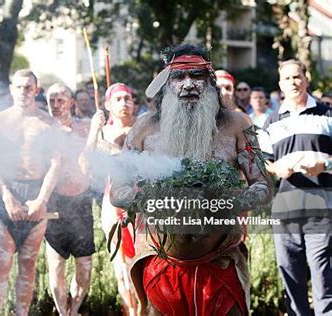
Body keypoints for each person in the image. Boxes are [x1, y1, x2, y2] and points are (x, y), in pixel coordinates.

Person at [109, 44, 270, 315]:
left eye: (196, 76)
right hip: (161, 265)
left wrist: (230, 201)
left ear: (210, 82)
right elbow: (118, 191)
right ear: (166, 83)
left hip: (219, 265)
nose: (188, 85)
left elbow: (262, 185)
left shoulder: (238, 124)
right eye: (178, 77)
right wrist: (150, 199)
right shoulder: (143, 127)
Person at [0, 69, 61, 316]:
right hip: (5, 195)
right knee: (1, 264)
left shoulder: (48, 124)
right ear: (11, 89)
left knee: (28, 265)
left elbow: (55, 163)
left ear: (36, 90)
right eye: (18, 87)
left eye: (28, 87)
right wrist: (6, 195)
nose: (23, 92)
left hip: (36, 194)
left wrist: (42, 199)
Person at [262, 59, 332, 316]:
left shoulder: (326, 114)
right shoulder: (271, 121)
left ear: (306, 78)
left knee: (323, 275)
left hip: (321, 206)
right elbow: (263, 162)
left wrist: (324, 164)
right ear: (280, 84)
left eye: (297, 76)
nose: (293, 82)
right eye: (287, 78)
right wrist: (276, 168)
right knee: (289, 273)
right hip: (285, 208)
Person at [84, 83, 138, 315]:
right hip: (113, 203)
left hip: (143, 202)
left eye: (128, 98)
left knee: (145, 260)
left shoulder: (144, 128)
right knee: (121, 267)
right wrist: (94, 132)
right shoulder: (102, 131)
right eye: (118, 99)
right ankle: (130, 311)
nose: (124, 103)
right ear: (108, 105)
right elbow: (84, 165)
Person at [44, 83, 95, 316]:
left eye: (60, 100)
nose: (55, 105)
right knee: (56, 266)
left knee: (84, 267)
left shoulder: (84, 127)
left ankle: (74, 310)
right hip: (54, 201)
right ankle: (62, 312)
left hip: (81, 201)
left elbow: (91, 157)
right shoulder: (42, 128)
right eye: (51, 100)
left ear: (71, 102)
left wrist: (96, 128)